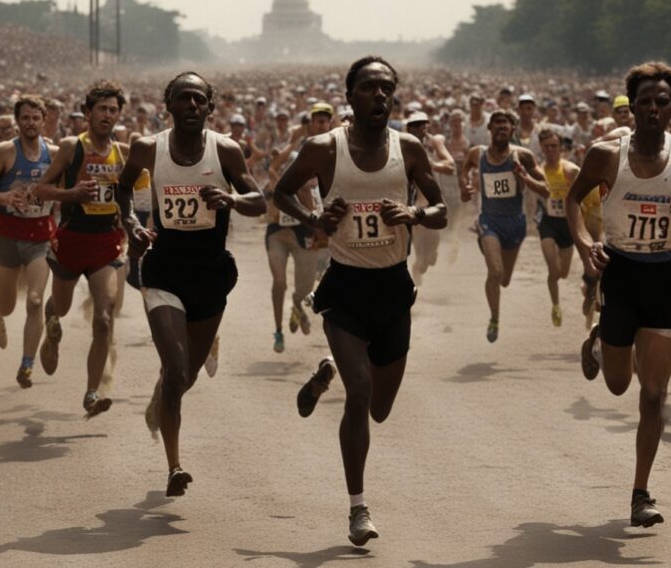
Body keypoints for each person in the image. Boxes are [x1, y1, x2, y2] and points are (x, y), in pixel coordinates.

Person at [275, 57, 447, 546]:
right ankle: (358, 509)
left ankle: (331, 364)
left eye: (387, 88)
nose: (380, 96)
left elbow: (441, 211)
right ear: (349, 97)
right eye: (369, 87)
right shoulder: (324, 149)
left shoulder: (408, 149)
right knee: (360, 393)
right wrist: (313, 219)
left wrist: (413, 212)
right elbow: (281, 191)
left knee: (380, 409)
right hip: (346, 288)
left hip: (392, 289)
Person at [566, 62, 671, 528]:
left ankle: (640, 495)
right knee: (616, 383)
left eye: (662, 102)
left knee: (653, 396)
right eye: (645, 102)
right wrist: (584, 244)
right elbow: (573, 201)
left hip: (664, 276)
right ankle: (598, 339)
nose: (653, 109)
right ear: (631, 107)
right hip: (620, 272)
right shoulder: (605, 155)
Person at [115, 72, 265, 497]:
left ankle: (161, 396)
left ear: (210, 107)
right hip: (164, 272)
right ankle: (174, 467)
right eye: (184, 99)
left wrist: (231, 199)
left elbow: (259, 202)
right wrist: (130, 224)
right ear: (170, 105)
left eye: (199, 99)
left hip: (211, 275)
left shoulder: (227, 151)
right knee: (176, 368)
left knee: (182, 381)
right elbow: (122, 188)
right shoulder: (148, 148)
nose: (192, 106)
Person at [34, 80, 129, 416]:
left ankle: (91, 393)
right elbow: (41, 189)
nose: (108, 115)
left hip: (105, 243)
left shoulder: (123, 152)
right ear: (88, 113)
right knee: (60, 307)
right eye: (101, 109)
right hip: (71, 240)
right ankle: (51, 322)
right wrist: (71, 194)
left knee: (103, 319)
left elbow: (130, 199)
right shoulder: (72, 147)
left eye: (113, 110)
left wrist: (135, 226)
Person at [0, 95, 58, 389]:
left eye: (36, 118)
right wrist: (5, 197)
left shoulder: (55, 153)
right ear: (18, 121)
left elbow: (63, 192)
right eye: (25, 118)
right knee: (7, 305)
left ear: (43, 121)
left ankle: (27, 365)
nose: (31, 123)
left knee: (35, 301)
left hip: (40, 237)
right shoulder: (6, 151)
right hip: (7, 234)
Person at [460, 109, 550, 342]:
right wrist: (464, 186)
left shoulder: (523, 156)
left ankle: (495, 258)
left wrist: (525, 178)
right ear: (489, 129)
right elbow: (465, 169)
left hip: (515, 223)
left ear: (512, 130)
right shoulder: (477, 154)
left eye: (506, 124)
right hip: (488, 220)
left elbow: (546, 189)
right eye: (497, 123)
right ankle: (494, 318)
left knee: (505, 279)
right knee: (495, 271)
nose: (501, 127)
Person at [263, 102, 332, 352]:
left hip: (310, 230)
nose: (320, 124)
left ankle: (297, 306)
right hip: (278, 232)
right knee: (279, 281)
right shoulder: (292, 154)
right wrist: (293, 143)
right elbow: (272, 165)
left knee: (305, 289)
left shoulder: (332, 153)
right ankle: (279, 331)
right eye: (317, 120)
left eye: (325, 120)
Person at [403, 111, 456, 285]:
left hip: (432, 201)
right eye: (416, 126)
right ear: (409, 128)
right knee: (421, 254)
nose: (421, 129)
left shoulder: (435, 142)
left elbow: (451, 165)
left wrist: (432, 164)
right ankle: (417, 274)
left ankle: (421, 267)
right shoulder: (402, 144)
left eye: (423, 125)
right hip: (415, 202)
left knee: (432, 255)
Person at [536, 128, 579, 325]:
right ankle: (555, 306)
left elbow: (582, 197)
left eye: (554, 146)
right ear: (541, 148)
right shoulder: (538, 171)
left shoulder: (570, 170)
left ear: (561, 148)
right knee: (553, 269)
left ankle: (557, 289)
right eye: (547, 147)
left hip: (567, 224)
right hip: (547, 222)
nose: (551, 150)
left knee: (563, 273)